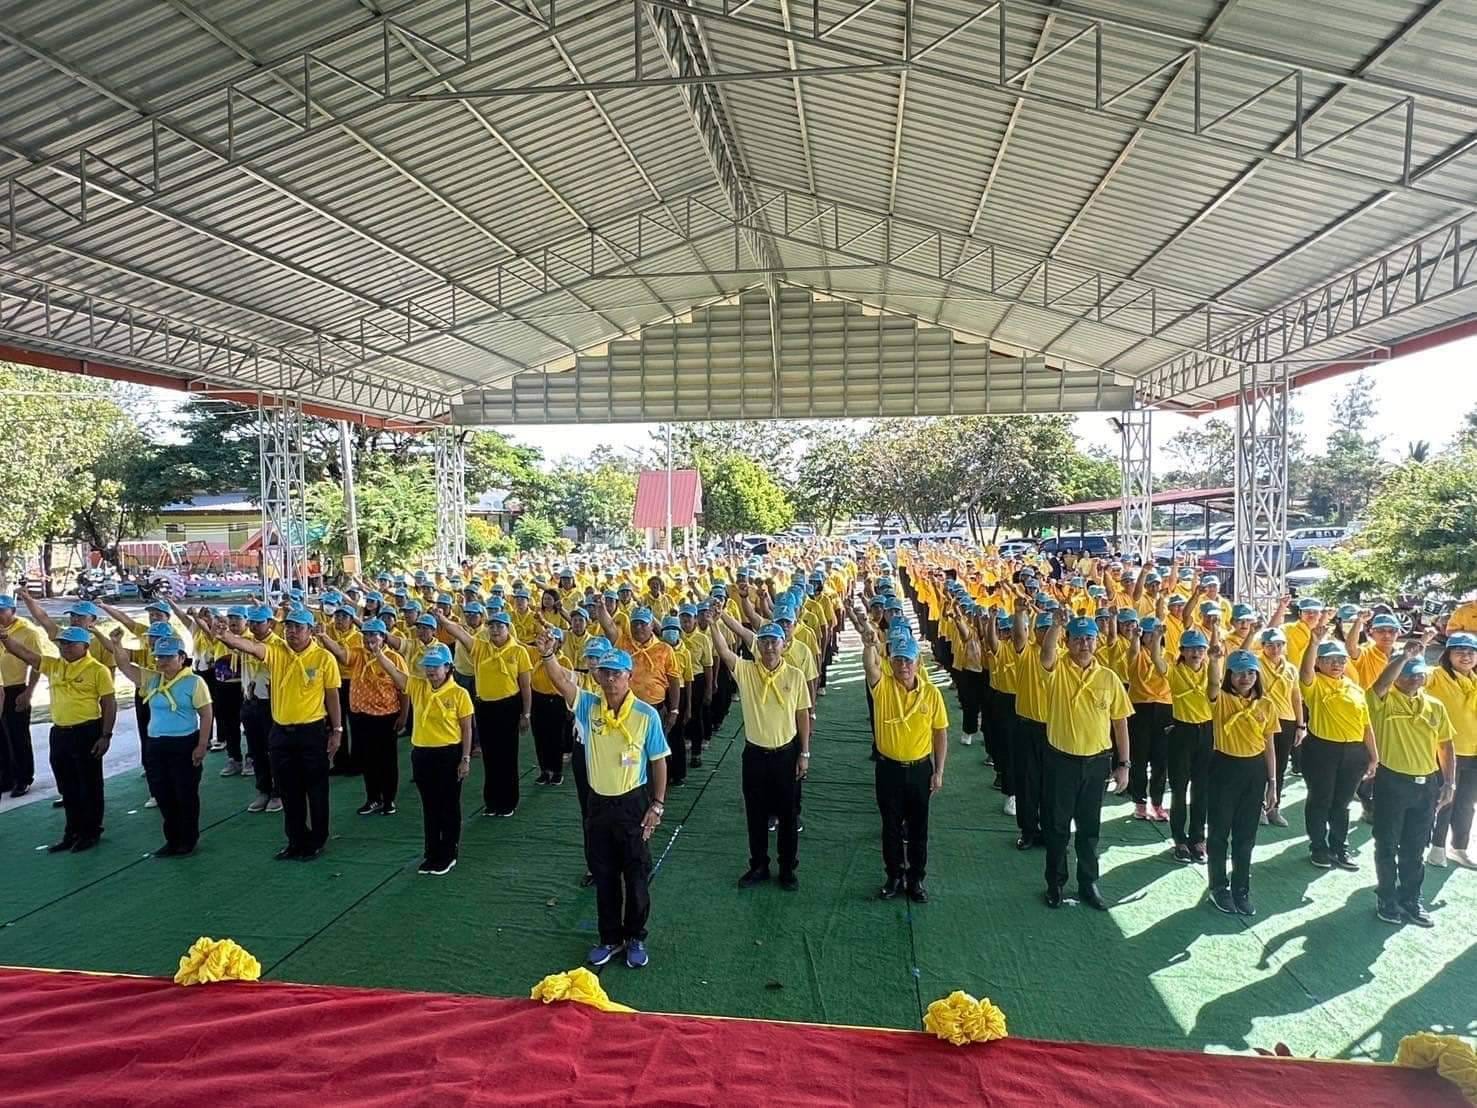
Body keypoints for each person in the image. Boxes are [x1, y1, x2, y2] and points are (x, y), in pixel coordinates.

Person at [533, 637, 668, 970]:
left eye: (616, 673)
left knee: (636, 875)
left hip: (633, 804)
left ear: (628, 676)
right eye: (604, 673)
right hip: (598, 805)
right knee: (604, 874)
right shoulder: (589, 705)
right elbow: (562, 681)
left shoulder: (645, 715)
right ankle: (610, 938)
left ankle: (635, 936)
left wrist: (658, 804)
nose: (609, 679)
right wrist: (548, 654)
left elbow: (659, 760)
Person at [214, 608, 344, 860]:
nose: (292, 631)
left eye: (298, 627)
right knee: (288, 790)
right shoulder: (278, 652)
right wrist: (226, 637)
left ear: (310, 630)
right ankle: (295, 840)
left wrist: (336, 731)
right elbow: (252, 647)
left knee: (316, 789)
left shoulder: (323, 658)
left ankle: (317, 840)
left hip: (311, 732)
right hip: (281, 733)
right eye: (289, 627)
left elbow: (332, 696)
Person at [853, 604, 948, 902]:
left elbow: (940, 732)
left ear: (918, 662)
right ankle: (894, 875)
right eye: (897, 660)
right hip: (889, 769)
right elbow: (871, 666)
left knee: (919, 828)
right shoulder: (883, 687)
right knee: (890, 826)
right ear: (890, 662)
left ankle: (916, 879)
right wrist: (869, 645)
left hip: (920, 769)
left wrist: (939, 770)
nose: (903, 665)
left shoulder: (932, 694)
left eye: (908, 660)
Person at [1038, 612, 1132, 910]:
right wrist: (1055, 625)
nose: (1084, 644)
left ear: (1097, 640)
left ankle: (1088, 883)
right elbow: (1046, 653)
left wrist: (1124, 764)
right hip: (1061, 761)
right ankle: (1055, 882)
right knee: (1057, 827)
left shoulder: (1108, 677)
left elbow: (1120, 723)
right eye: (1077, 638)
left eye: (1089, 637)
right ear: (1068, 641)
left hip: (1096, 763)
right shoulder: (1056, 669)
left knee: (1090, 828)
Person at [710, 616, 812, 891]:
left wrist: (804, 753)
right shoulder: (746, 671)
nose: (768, 647)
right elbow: (723, 651)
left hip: (786, 754)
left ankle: (787, 867)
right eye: (764, 641)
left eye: (773, 641)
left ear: (784, 644)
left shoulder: (795, 675)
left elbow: (802, 714)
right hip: (755, 755)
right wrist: (712, 623)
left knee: (788, 814)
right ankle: (759, 865)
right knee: (755, 813)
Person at [0, 624, 115, 851]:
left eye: (71, 644)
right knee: (67, 785)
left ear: (85, 646)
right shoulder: (53, 665)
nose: (65, 648)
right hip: (59, 732)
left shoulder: (97, 669)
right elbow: (24, 654)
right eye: (62, 643)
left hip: (87, 731)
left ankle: (91, 831)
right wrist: (4, 638)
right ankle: (71, 832)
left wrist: (105, 735)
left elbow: (109, 703)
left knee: (89, 784)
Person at [1366, 639, 1455, 927]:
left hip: (1426, 784)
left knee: (1416, 846)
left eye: (1419, 672)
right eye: (1409, 672)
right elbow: (1380, 684)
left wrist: (1449, 782)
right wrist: (1404, 656)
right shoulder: (1383, 699)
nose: (1416, 677)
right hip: (1393, 781)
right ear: (1398, 675)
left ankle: (1410, 899)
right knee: (1388, 843)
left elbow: (1446, 745)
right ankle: (1387, 898)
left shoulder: (1435, 705)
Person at [370, 641, 473, 876]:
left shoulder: (460, 694)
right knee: (429, 805)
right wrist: (379, 654)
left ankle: (448, 854)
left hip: (449, 754)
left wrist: (465, 758)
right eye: (428, 666)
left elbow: (467, 729)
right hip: (422, 754)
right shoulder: (418, 686)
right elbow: (396, 674)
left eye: (435, 666)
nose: (430, 671)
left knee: (448, 805)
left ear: (448, 667)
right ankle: (432, 852)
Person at [107, 632, 213, 856]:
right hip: (156, 744)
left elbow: (206, 714)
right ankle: (172, 839)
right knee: (162, 792)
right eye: (158, 657)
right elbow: (125, 666)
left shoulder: (195, 682)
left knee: (185, 793)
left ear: (181, 658)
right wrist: (116, 644)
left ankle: (188, 839)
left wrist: (202, 744)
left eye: (167, 657)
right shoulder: (152, 679)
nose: (162, 662)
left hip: (184, 744)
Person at [1298, 616, 1377, 871]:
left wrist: (1373, 756)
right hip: (1322, 750)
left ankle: (1339, 847)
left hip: (1354, 752)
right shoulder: (1315, 684)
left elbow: (1366, 725)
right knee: (1320, 799)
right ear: (1320, 662)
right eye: (1329, 659)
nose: (1336, 663)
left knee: (1342, 803)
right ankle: (1318, 847)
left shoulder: (1354, 688)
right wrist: (1314, 642)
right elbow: (1305, 672)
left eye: (1341, 659)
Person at [1204, 647, 1277, 915]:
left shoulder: (1266, 705)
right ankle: (1218, 887)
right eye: (1238, 672)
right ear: (1229, 675)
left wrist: (1272, 782)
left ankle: (1241, 889)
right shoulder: (1221, 698)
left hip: (1255, 771)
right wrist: (1214, 662)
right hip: (1224, 768)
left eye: (1250, 672)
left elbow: (1269, 745)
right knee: (1219, 833)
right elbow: (1212, 685)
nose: (1245, 678)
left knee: (1246, 835)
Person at [438, 609, 530, 817]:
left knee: (507, 755)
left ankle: (508, 802)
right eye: (492, 626)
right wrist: (442, 619)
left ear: (508, 628)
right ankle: (492, 801)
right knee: (490, 755)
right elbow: (460, 633)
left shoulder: (518, 651)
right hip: (485, 707)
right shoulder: (480, 647)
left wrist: (526, 714)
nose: (495, 630)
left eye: (500, 626)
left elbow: (525, 686)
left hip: (508, 706)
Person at [320, 618, 406, 815]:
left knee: (387, 760)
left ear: (383, 637)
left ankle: (389, 800)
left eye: (373, 635)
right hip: (361, 717)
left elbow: (403, 690)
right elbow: (341, 654)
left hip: (386, 716)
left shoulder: (394, 659)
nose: (368, 639)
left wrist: (404, 715)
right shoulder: (358, 655)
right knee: (368, 759)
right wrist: (324, 636)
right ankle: (373, 798)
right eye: (365, 635)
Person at [1155, 627, 1213, 865]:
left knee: (1203, 789)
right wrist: (1157, 639)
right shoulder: (1175, 671)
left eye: (1200, 649)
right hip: (1182, 732)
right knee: (1179, 788)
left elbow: (1216, 689)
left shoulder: (1211, 670)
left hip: (1206, 732)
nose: (1196, 653)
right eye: (1191, 649)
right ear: (1182, 651)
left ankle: (1198, 839)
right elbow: (1158, 662)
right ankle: (1180, 839)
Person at [1426, 631, 1477, 868]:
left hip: (1474, 753)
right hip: (1445, 751)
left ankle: (1459, 848)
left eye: (1471, 652)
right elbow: (1408, 679)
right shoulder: (1436, 676)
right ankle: (1436, 847)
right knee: (1445, 799)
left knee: (1467, 803)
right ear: (1448, 654)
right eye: (1459, 651)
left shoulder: (1475, 680)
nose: (1466, 656)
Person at [1126, 616, 1172, 823]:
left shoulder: (1168, 655)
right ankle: (1140, 803)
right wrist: (1135, 637)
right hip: (1140, 707)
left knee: (1161, 759)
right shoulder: (1136, 653)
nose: (1151, 637)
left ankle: (1157, 803)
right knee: (1140, 757)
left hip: (1164, 707)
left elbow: (1162, 667)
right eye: (1147, 633)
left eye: (1155, 633)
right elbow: (1133, 651)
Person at [0, 593, 45, 798]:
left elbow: (37, 664)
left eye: (2, 610)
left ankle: (24, 778)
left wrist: (29, 692)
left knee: (18, 735)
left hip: (16, 688)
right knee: (2, 735)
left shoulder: (28, 632)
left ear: (13, 611)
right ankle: (6, 777)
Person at [239, 605, 282, 814]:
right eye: (251, 622)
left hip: (270, 703)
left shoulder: (278, 645)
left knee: (274, 749)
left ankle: (278, 791)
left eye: (259, 622)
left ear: (271, 623)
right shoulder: (247, 642)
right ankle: (263, 789)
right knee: (256, 749)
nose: (254, 626)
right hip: (250, 701)